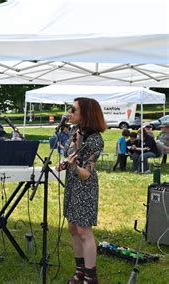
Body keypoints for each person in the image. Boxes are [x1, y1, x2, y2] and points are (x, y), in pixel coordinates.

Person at [56, 97, 106, 284]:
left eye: (73, 110)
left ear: (85, 114)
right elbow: (71, 155)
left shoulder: (95, 140)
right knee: (73, 228)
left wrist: (74, 167)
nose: (69, 113)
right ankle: (80, 272)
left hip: (85, 187)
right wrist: (64, 164)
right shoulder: (75, 132)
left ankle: (91, 277)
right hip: (72, 184)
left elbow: (86, 174)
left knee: (84, 231)